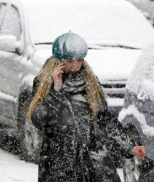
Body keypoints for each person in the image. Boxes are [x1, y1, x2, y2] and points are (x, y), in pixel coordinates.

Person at [28, 32, 146, 182]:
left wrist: (129, 147)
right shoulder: (44, 83)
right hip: (58, 165)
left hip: (92, 163)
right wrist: (56, 90)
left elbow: (106, 119)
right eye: (70, 61)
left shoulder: (89, 83)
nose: (75, 65)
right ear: (59, 59)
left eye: (79, 60)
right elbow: (38, 120)